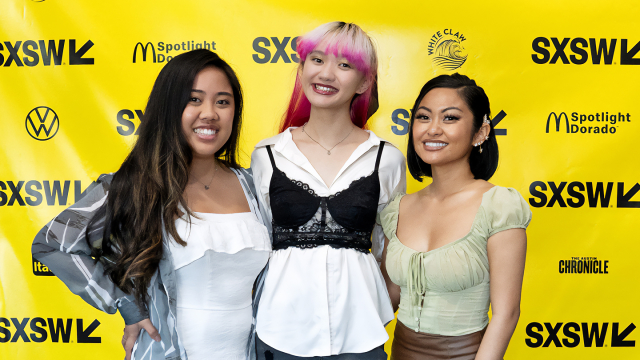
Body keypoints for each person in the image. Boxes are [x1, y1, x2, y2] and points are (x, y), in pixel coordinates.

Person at [31, 49, 271, 360]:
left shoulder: (254, 184)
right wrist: (126, 305)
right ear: (168, 107)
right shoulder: (134, 185)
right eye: (194, 99)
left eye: (222, 101)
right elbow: (53, 244)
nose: (210, 113)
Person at [250, 22, 406, 359]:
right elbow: (259, 243)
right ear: (303, 68)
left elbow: (388, 249)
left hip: (360, 333)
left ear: (365, 81)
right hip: (279, 331)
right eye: (317, 60)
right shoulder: (267, 155)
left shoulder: (387, 159)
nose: (327, 74)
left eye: (344, 65)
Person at [379, 73, 532, 360]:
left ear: (480, 132)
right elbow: (391, 295)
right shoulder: (398, 208)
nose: (432, 129)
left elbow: (506, 313)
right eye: (423, 117)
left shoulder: (499, 205)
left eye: (449, 118)